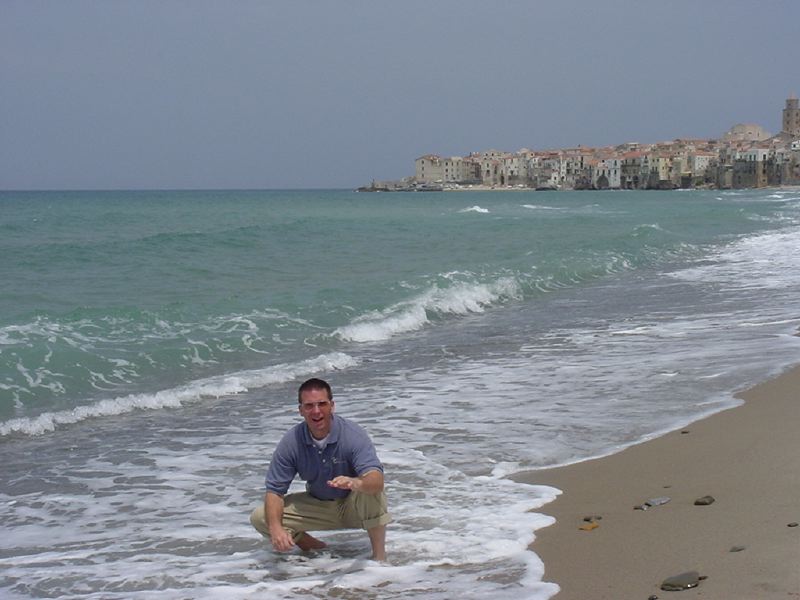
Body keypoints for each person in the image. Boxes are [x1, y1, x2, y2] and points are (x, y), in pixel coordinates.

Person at [250, 377, 390, 560]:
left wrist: (356, 482)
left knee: (371, 491)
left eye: (322, 404)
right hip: (319, 507)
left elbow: (376, 480)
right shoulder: (292, 441)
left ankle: (379, 558)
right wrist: (276, 529)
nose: (316, 411)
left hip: (354, 507)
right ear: (301, 410)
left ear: (332, 406)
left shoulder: (353, 435)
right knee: (261, 517)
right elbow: (274, 491)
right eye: (309, 406)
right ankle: (315, 548)